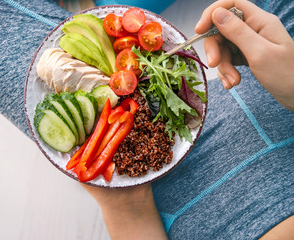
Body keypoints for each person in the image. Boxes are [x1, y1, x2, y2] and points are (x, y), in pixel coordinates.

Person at [82, 0, 294, 239]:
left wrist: (125, 206)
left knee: (31, 17)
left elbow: (128, 210)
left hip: (160, 179)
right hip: (276, 101)